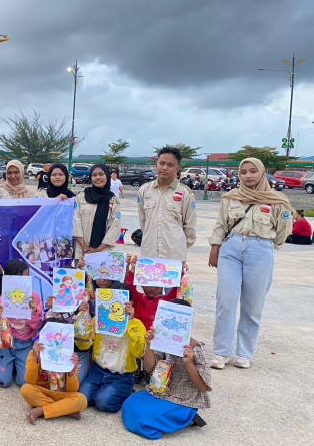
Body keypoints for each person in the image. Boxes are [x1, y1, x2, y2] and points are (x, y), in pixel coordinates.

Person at [208, 157, 293, 369]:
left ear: (262, 173)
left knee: (253, 305)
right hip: (231, 249)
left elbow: (283, 230)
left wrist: (265, 245)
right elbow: (221, 224)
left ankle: (244, 353)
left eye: (253, 171)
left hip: (260, 250)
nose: (248, 175)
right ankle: (222, 352)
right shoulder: (231, 197)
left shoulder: (277, 200)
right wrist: (214, 248)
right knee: (225, 301)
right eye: (243, 171)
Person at [121, 299, 211, 439]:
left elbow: (203, 386)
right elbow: (150, 368)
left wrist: (189, 363)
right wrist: (149, 343)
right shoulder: (161, 342)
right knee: (129, 404)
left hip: (183, 399)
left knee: (145, 421)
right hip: (160, 392)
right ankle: (174, 418)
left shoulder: (196, 349)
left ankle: (190, 420)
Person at [78, 283, 145, 413]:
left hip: (122, 375)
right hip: (98, 370)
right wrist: (83, 317)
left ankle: (125, 390)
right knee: (83, 398)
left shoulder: (137, 324)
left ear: (130, 303)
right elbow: (84, 344)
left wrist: (129, 323)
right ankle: (109, 390)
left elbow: (139, 353)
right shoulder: (97, 320)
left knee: (103, 403)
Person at [124, 253, 178, 383]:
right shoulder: (137, 298)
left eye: (157, 286)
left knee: (152, 369)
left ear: (162, 287)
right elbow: (129, 285)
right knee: (136, 373)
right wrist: (132, 268)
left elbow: (174, 291)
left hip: (155, 340)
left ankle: (149, 372)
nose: (153, 289)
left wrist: (179, 272)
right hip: (137, 339)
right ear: (142, 284)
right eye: (150, 285)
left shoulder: (164, 300)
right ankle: (138, 372)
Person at [137, 148, 196, 264]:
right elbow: (143, 221)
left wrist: (180, 247)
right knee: (148, 283)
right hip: (150, 252)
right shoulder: (144, 190)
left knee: (174, 283)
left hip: (174, 255)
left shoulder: (185, 193)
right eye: (162, 163)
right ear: (156, 164)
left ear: (176, 168)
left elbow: (190, 226)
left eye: (170, 165)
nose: (164, 168)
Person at [21, 325, 87, 424]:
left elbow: (73, 390)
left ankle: (41, 410)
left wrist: (72, 371)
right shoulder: (34, 353)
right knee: (26, 389)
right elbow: (30, 381)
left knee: (81, 399)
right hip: (42, 392)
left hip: (61, 393)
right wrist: (35, 358)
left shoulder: (69, 356)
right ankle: (65, 410)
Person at [0, 260, 42, 388]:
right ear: (9, 279)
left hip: (25, 344)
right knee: (2, 382)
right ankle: (9, 364)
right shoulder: (2, 298)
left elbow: (36, 325)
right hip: (6, 344)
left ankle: (17, 365)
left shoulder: (34, 297)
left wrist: (33, 311)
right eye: (21, 277)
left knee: (24, 382)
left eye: (27, 277)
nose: (25, 281)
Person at [72, 164, 121, 260]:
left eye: (101, 174)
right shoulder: (81, 197)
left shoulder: (113, 201)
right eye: (94, 175)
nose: (98, 177)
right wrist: (83, 245)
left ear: (107, 176)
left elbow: (115, 227)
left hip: (103, 253)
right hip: (82, 252)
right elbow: (75, 221)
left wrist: (98, 249)